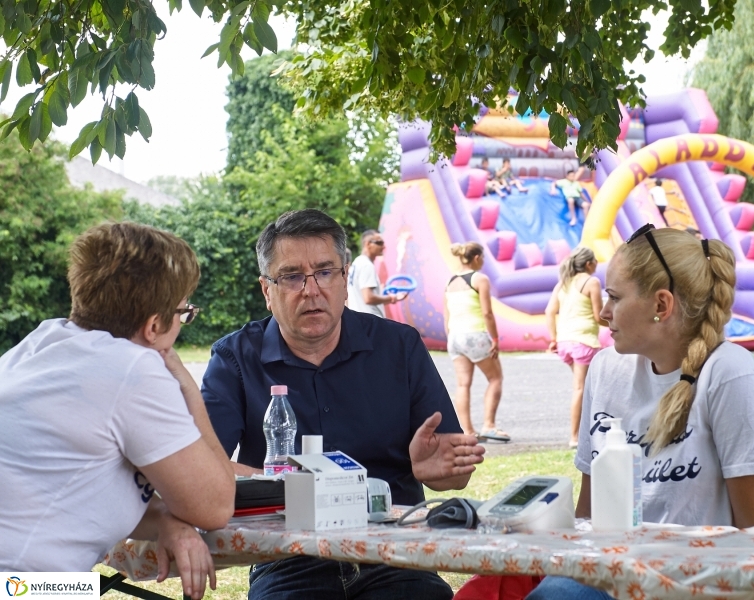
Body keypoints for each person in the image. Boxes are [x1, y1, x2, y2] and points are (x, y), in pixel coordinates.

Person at [202, 209, 485, 600]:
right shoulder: (235, 358)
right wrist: (288, 486)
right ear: (267, 290)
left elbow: (451, 474)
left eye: (324, 272)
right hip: (288, 559)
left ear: (345, 279)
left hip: (394, 556)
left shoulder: (399, 347)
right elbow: (200, 464)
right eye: (292, 276)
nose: (311, 289)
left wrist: (438, 473)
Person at [528, 226, 754, 599]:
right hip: (606, 575)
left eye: (614, 297)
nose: (603, 312)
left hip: (694, 587)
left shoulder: (734, 379)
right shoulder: (606, 368)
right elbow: (589, 514)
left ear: (661, 306)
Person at [0, 222, 235, 599]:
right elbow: (215, 506)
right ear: (154, 326)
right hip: (26, 588)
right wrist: (187, 386)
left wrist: (163, 518)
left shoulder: (40, 343)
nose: (182, 323)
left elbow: (77, 493)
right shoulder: (131, 368)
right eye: (183, 312)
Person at [444, 242, 508, 442]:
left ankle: (467, 430)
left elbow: (446, 314)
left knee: (463, 384)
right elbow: (487, 313)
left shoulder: (450, 281)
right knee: (495, 379)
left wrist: (451, 336)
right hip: (474, 335)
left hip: (455, 337)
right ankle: (489, 425)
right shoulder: (480, 279)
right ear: (477, 258)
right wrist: (495, 338)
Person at [544, 247, 602, 449]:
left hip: (564, 342)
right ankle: (575, 437)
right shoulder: (591, 282)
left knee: (586, 387)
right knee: (581, 388)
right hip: (584, 341)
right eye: (595, 261)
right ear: (589, 264)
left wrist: (553, 338)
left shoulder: (563, 284)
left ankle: (585, 432)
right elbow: (598, 316)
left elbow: (549, 311)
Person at [347, 229, 405, 317]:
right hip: (369, 321)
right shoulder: (366, 265)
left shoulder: (357, 262)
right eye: (379, 243)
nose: (383, 246)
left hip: (358, 319)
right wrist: (392, 298)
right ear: (368, 244)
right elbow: (368, 298)